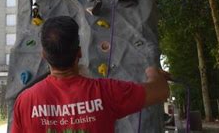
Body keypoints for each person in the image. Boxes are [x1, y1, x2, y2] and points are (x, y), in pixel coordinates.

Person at [12, 16, 170, 133]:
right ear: (79, 53)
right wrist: (153, 72)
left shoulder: (25, 102)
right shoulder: (106, 92)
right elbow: (161, 90)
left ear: (44, 55)